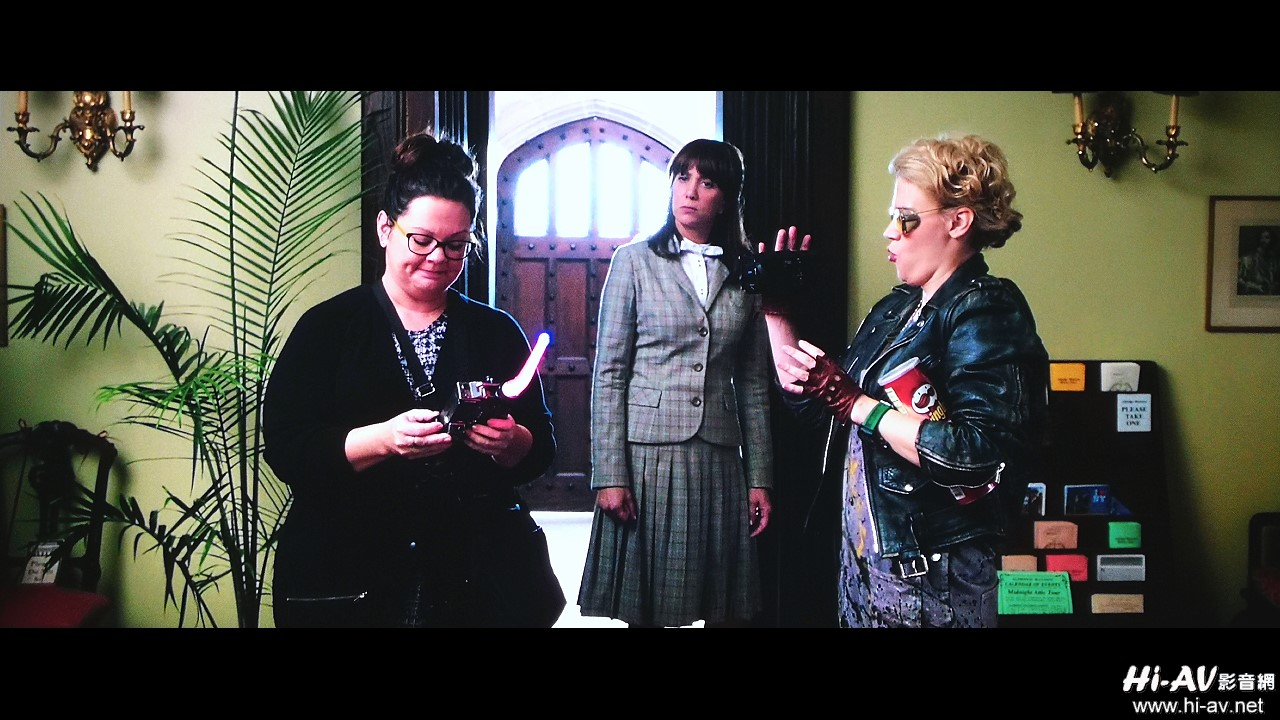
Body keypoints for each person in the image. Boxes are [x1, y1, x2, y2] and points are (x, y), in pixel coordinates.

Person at [263, 131, 556, 627]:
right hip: (348, 574)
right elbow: (286, 446)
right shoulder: (327, 326)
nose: (438, 257)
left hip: (471, 578)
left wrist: (512, 443)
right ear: (385, 228)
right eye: (421, 240)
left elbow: (542, 445)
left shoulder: (495, 331)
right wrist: (382, 440)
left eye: (457, 245)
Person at [763, 133, 1049, 628]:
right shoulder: (895, 309)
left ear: (958, 221)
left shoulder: (986, 308)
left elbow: (979, 454)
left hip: (933, 575)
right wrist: (776, 310)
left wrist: (859, 404)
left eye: (905, 218)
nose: (889, 232)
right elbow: (815, 408)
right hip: (867, 561)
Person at [577, 138, 774, 628]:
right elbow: (609, 374)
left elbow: (753, 384)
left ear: (725, 199)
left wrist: (761, 478)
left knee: (722, 608)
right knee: (647, 609)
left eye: (707, 182)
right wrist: (610, 474)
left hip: (720, 458)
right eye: (682, 177)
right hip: (648, 456)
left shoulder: (747, 271)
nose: (690, 191)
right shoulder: (633, 261)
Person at [1238, 228, 1279, 295]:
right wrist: (1255, 287)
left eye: (1267, 238)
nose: (1264, 240)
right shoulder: (1247, 259)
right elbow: (1240, 280)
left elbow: (1275, 280)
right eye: (1261, 238)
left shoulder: (1274, 261)